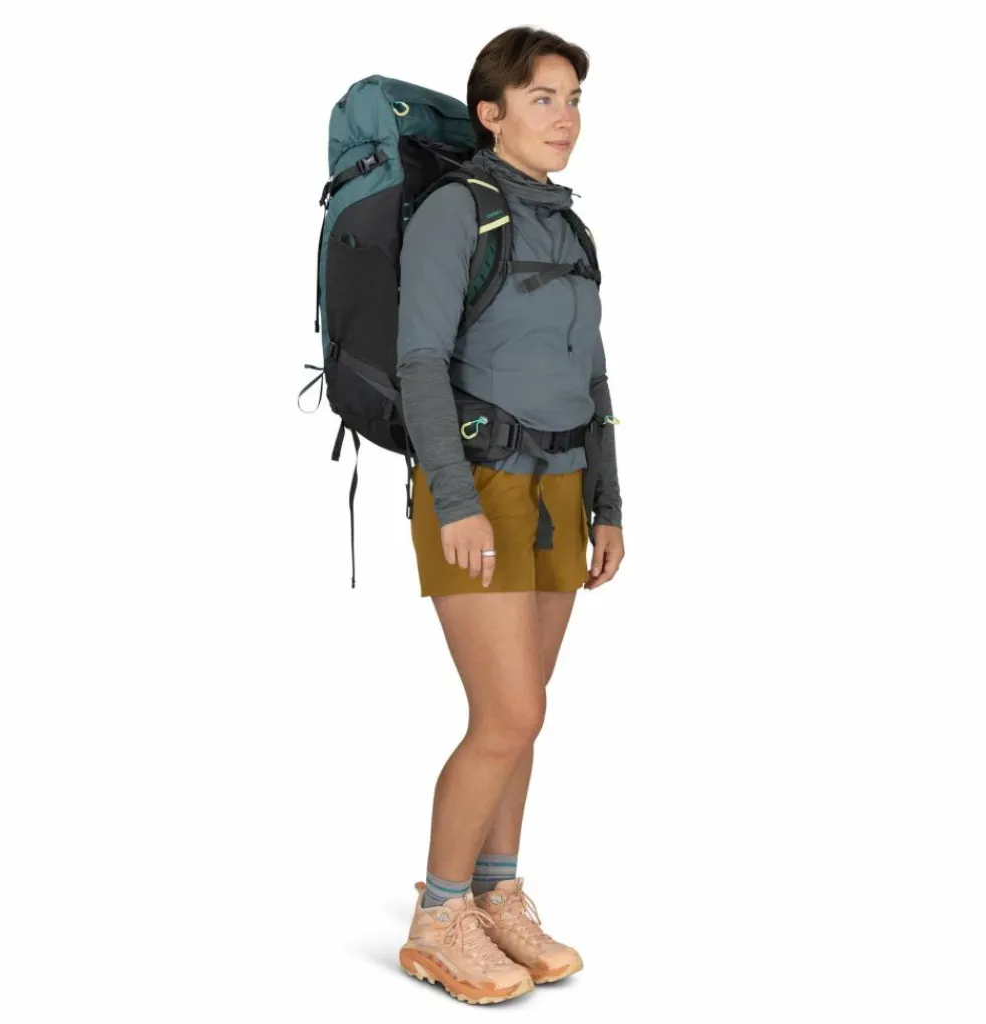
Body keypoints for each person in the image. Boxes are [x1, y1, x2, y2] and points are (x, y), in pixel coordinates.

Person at [395, 26, 624, 1005]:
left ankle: (496, 896)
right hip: (479, 486)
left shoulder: (570, 228)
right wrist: (454, 502)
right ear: (490, 114)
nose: (564, 118)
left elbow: (593, 377)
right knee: (509, 713)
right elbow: (417, 365)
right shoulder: (456, 211)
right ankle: (438, 920)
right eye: (542, 98)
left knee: (524, 713)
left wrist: (607, 502)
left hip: (561, 487)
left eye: (572, 99)